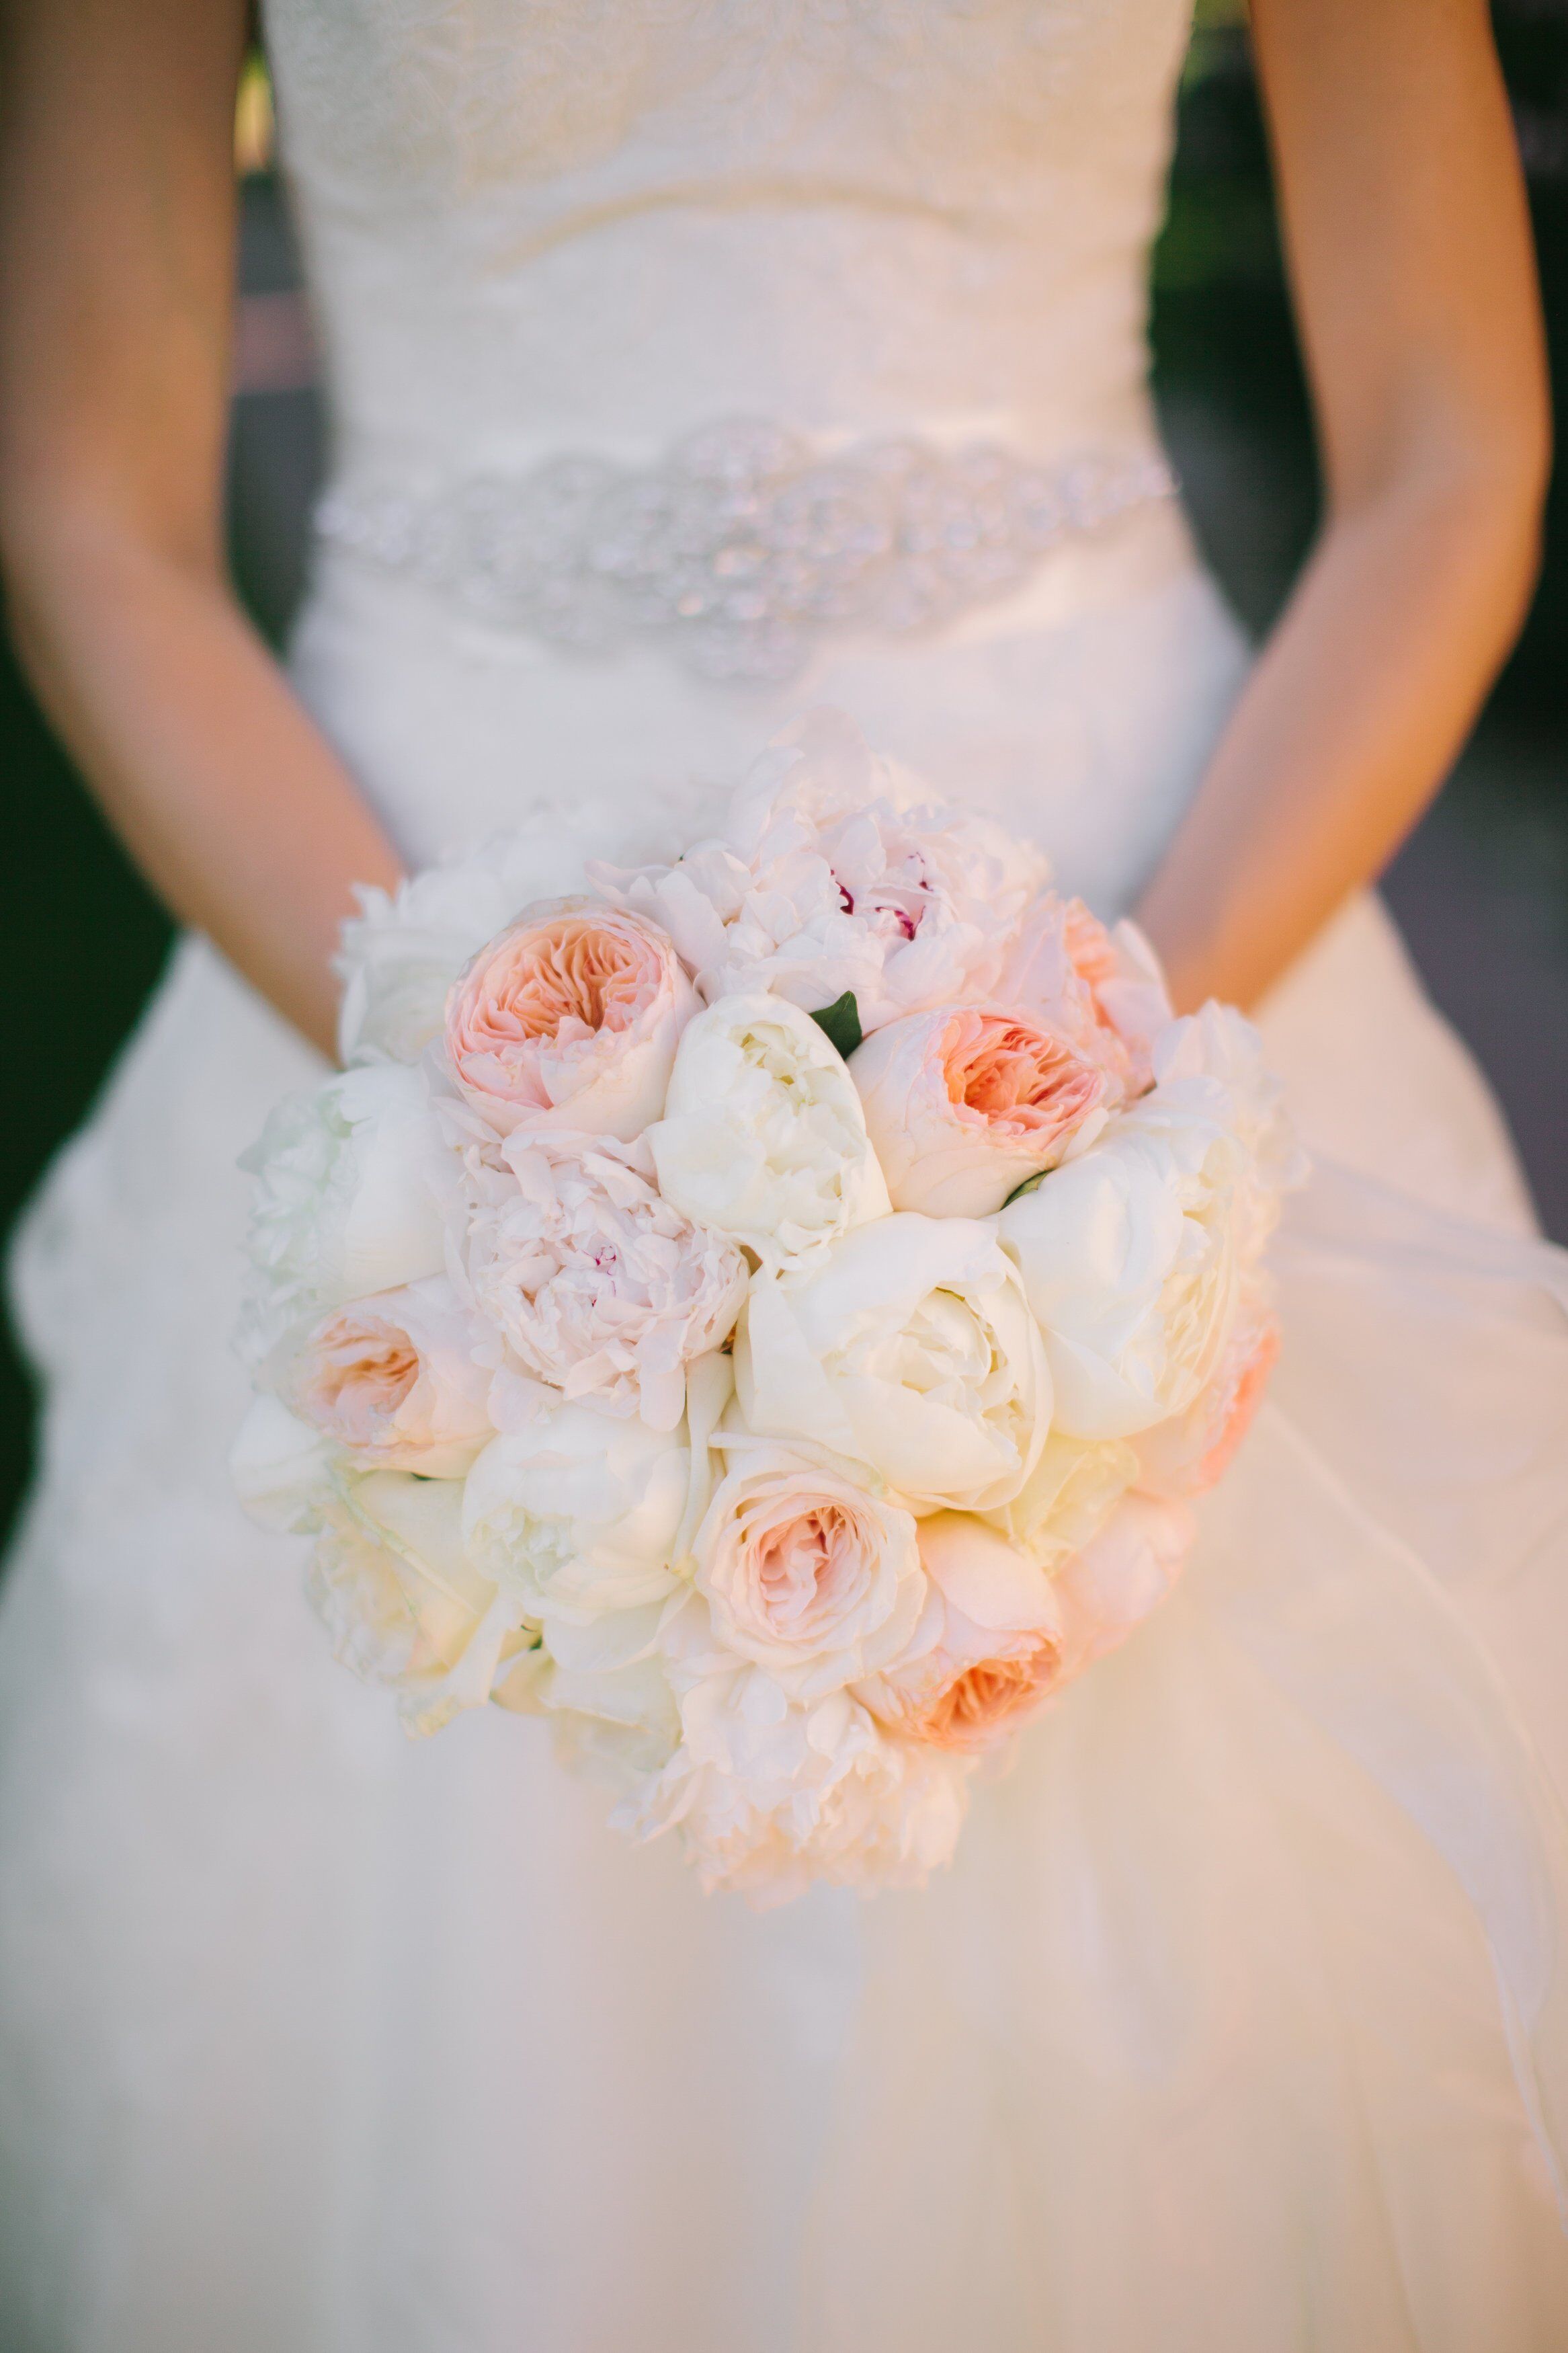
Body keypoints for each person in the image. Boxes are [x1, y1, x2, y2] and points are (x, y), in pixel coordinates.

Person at [0, 1, 1565, 2346]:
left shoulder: (1106, 1069)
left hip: (1140, 918)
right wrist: (462, 1115)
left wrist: (1085, 1119)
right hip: (389, 941)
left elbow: (1453, 445)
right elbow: (84, 505)